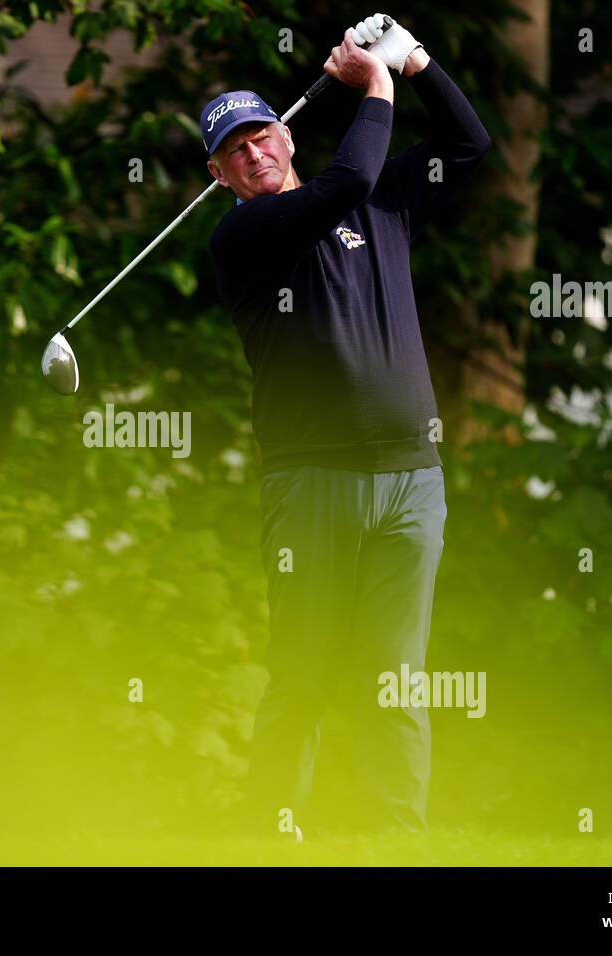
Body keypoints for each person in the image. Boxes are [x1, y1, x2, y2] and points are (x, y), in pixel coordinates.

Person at [201, 15, 491, 837]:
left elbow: (469, 147)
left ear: (286, 139)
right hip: (313, 482)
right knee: (306, 671)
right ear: (219, 174)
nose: (256, 153)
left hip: (412, 482)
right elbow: (346, 184)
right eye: (237, 151)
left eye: (264, 136)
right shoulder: (246, 236)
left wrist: (419, 61)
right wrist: (376, 84)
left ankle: (401, 845)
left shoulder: (387, 203)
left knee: (394, 676)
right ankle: (271, 835)